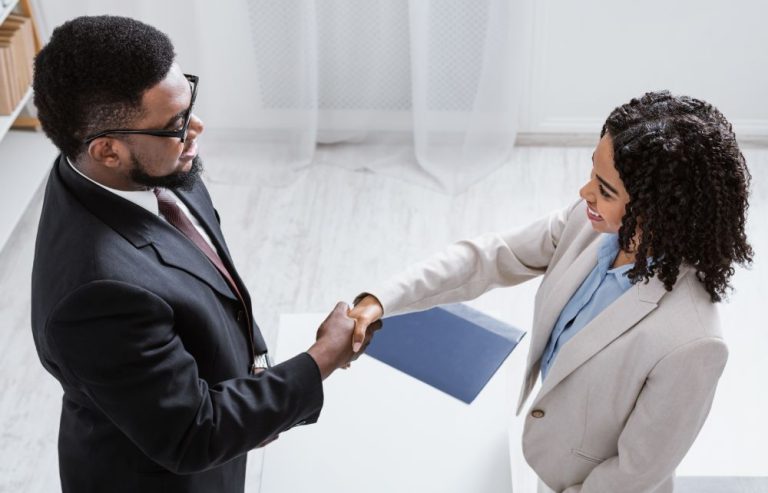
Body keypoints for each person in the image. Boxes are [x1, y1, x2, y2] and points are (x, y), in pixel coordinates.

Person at [30, 16, 375, 493]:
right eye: (175, 124)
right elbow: (195, 434)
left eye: (189, 101)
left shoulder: (145, 168)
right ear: (107, 151)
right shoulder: (96, 296)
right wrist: (323, 358)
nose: (196, 127)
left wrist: (256, 377)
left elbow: (208, 276)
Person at [348, 91, 753, 492]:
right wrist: (381, 300)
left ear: (657, 210)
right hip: (552, 460)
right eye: (593, 173)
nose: (584, 193)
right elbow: (489, 257)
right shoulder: (587, 225)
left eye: (605, 190)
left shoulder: (694, 343)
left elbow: (636, 473)